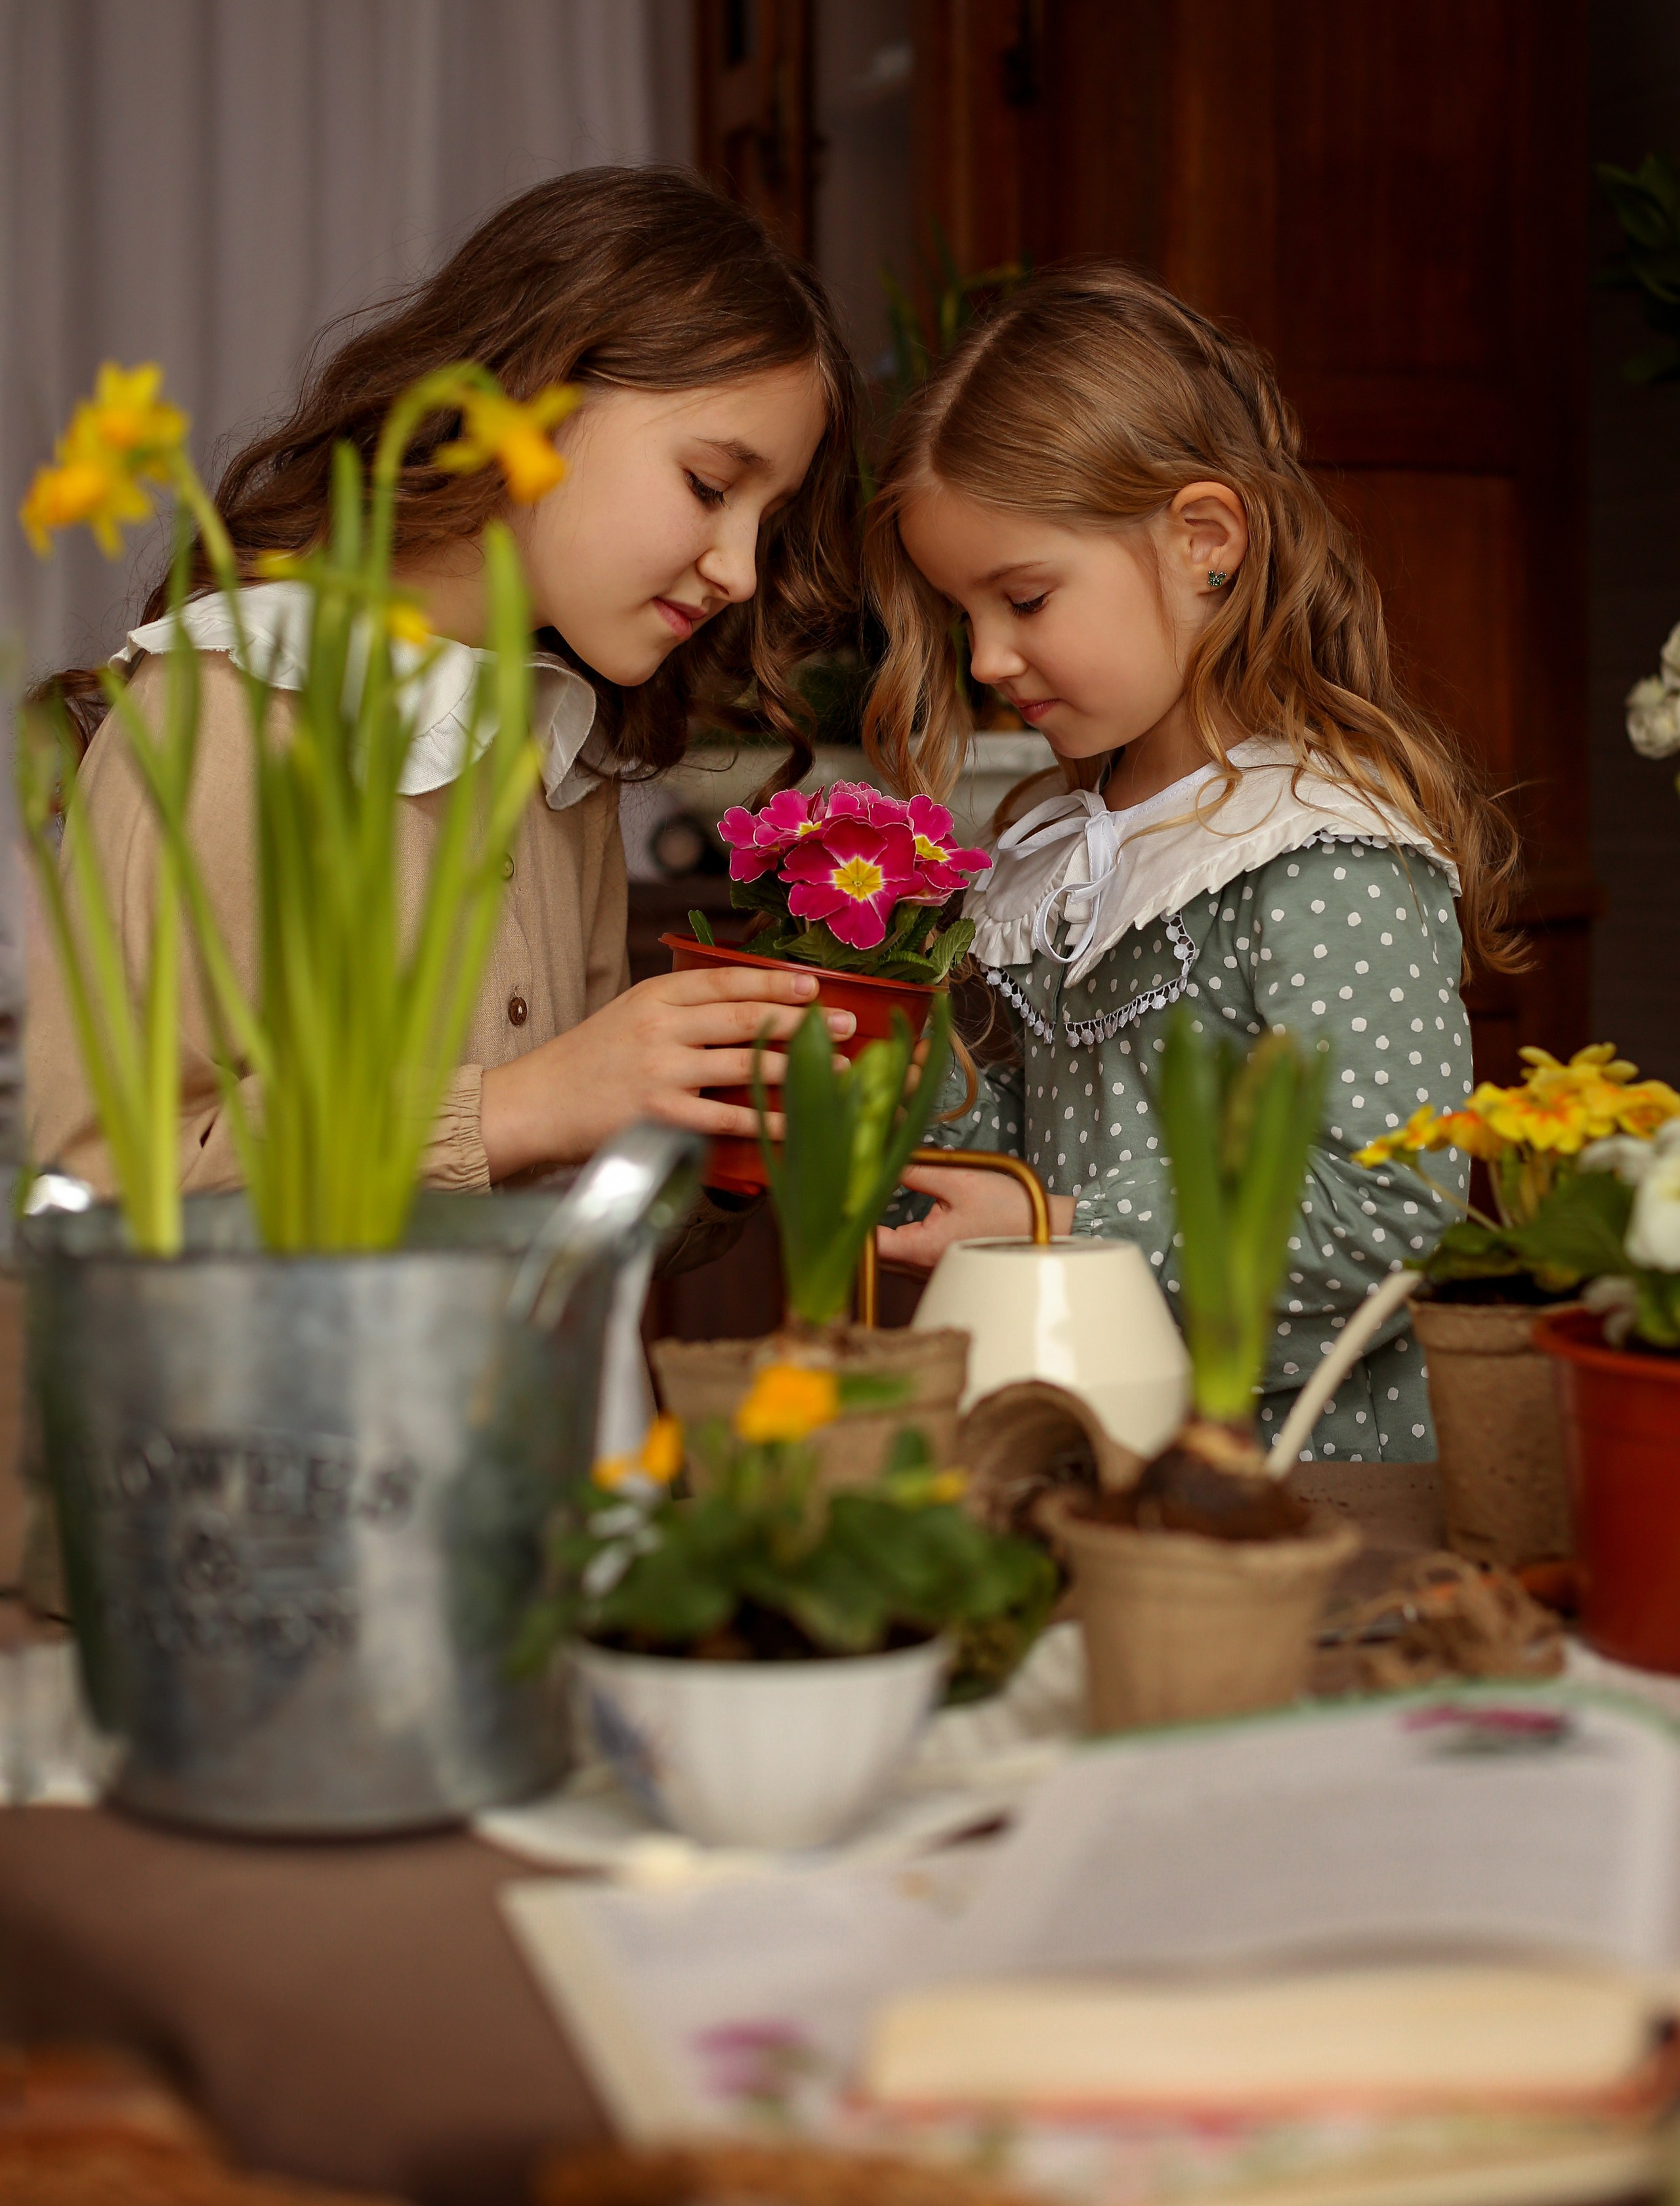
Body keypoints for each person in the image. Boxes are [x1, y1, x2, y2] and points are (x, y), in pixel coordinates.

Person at [28, 167, 863, 1196]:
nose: (739, 570)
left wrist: (748, 1124)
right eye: (709, 486)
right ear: (533, 396)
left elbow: (563, 1218)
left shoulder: (559, 753)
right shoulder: (225, 721)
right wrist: (524, 1105)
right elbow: (101, 1179)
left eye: (767, 524)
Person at [865, 267, 1524, 1461]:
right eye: (962, 613)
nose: (989, 658)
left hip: (1297, 1483)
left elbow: (1390, 1216)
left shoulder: (1323, 850)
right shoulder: (1063, 852)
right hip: (1097, 1452)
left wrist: (1051, 1224)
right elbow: (1017, 1144)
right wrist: (900, 1047)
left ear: (1203, 543)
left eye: (1023, 597)